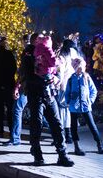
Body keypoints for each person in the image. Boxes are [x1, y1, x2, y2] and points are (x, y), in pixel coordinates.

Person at [24, 35, 74, 167]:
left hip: (50, 95)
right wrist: (43, 80)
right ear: (35, 42)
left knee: (57, 124)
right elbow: (27, 76)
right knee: (37, 125)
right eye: (38, 41)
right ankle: (37, 154)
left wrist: (55, 79)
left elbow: (57, 70)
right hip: (36, 95)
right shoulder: (28, 56)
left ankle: (62, 155)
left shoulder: (49, 52)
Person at [65, 57, 103, 155]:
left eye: (82, 66)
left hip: (85, 106)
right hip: (74, 107)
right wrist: (68, 102)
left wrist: (90, 101)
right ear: (75, 68)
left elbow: (93, 90)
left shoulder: (86, 77)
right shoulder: (71, 79)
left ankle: (99, 144)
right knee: (74, 127)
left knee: (92, 125)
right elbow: (67, 92)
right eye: (79, 67)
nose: (81, 68)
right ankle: (76, 146)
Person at [4, 33, 37, 146]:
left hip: (27, 85)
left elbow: (23, 72)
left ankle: (16, 138)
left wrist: (18, 86)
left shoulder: (28, 52)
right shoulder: (35, 52)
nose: (26, 43)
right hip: (31, 85)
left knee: (18, 110)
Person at [56, 39, 76, 144]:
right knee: (68, 110)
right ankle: (69, 134)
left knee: (61, 110)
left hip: (64, 85)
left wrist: (58, 84)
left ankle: (63, 134)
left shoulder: (61, 57)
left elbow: (60, 72)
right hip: (73, 84)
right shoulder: (75, 55)